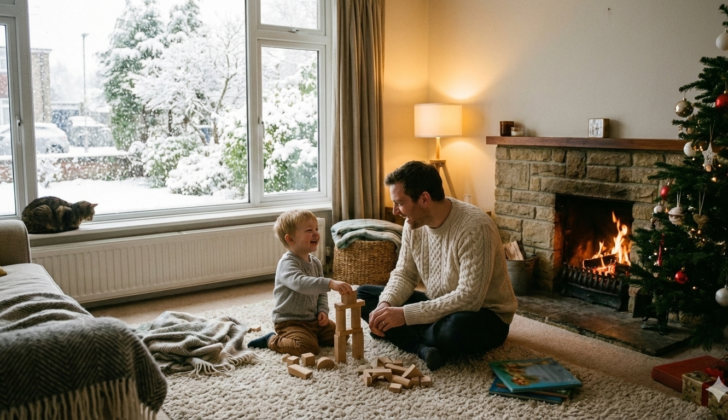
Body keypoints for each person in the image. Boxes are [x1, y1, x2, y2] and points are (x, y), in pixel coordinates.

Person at [357, 161, 518, 371]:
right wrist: (385, 306)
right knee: (363, 296)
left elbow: (469, 298)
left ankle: (407, 336)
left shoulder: (476, 228)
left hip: (483, 315)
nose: (396, 211)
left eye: (400, 203)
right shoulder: (412, 224)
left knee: (453, 331)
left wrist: (405, 315)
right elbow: (405, 274)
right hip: (439, 303)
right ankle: (423, 348)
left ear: (424, 198)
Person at [247, 209, 354, 356]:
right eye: (309, 230)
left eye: (316, 229)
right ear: (290, 239)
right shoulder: (287, 263)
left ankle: (311, 336)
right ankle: (271, 339)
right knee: (308, 348)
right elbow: (301, 284)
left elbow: (321, 292)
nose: (316, 233)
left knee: (342, 335)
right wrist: (330, 282)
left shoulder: (315, 263)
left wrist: (322, 310)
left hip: (313, 320)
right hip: (290, 322)